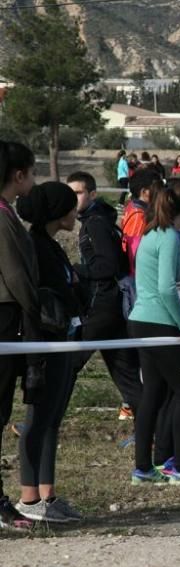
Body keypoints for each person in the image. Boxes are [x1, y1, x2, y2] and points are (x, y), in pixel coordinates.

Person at [12, 182, 83, 522]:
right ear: (56, 212)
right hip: (45, 341)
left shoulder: (51, 245)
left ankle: (47, 494)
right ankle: (29, 499)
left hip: (64, 338)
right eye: (70, 207)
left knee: (53, 419)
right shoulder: (35, 246)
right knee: (37, 420)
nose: (75, 213)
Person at [128, 179, 180, 485]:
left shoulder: (151, 232)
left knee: (154, 393)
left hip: (141, 320)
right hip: (161, 322)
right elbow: (166, 288)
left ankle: (144, 467)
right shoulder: (171, 237)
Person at [68, 171, 143, 420]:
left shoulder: (95, 224)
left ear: (92, 194)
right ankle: (152, 430)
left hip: (101, 305)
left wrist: (75, 270)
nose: (73, 198)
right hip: (113, 306)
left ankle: (41, 424)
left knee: (67, 364)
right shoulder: (100, 220)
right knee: (127, 374)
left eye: (78, 192)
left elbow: (107, 266)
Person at [0, 140, 40, 530]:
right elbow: (15, 274)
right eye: (32, 170)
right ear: (18, 175)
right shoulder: (1, 216)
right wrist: (36, 310)